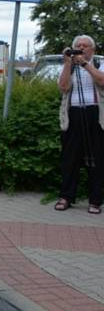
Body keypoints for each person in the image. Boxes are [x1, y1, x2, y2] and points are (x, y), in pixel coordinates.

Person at [56, 35, 104, 214]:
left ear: (93, 49)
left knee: (97, 159)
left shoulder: (100, 63)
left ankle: (95, 200)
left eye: (85, 46)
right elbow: (63, 87)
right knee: (70, 159)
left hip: (96, 115)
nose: (81, 49)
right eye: (78, 46)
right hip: (73, 114)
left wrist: (84, 64)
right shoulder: (69, 67)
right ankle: (66, 196)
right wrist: (68, 63)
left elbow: (102, 81)